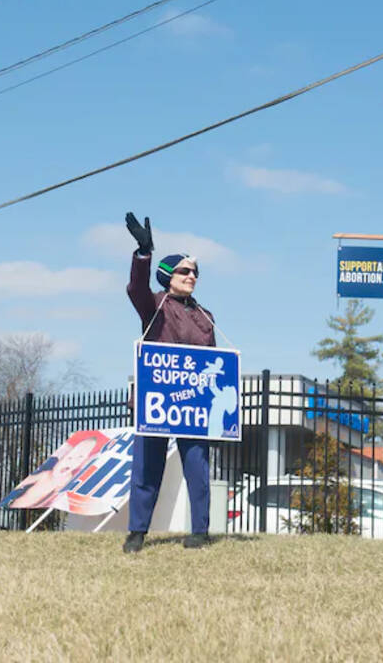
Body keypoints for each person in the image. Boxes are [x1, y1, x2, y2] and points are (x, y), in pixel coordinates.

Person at [122, 212, 217, 553]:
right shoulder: (154, 306)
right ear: (168, 276)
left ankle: (200, 531)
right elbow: (136, 288)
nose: (192, 276)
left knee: (197, 465)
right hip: (156, 399)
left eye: (195, 272)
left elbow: (214, 362)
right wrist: (143, 253)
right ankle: (137, 532)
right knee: (147, 465)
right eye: (184, 271)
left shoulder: (206, 316)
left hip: (192, 402)